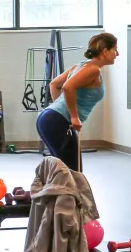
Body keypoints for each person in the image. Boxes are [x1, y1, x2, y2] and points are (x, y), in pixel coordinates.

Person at [38, 32, 117, 172]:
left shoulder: (81, 66)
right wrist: (73, 116)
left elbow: (54, 84)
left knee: (63, 170)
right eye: (115, 49)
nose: (117, 54)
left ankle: (55, 194)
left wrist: (63, 110)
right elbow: (67, 87)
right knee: (73, 172)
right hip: (56, 121)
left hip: (48, 118)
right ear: (105, 51)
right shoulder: (92, 70)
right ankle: (66, 194)